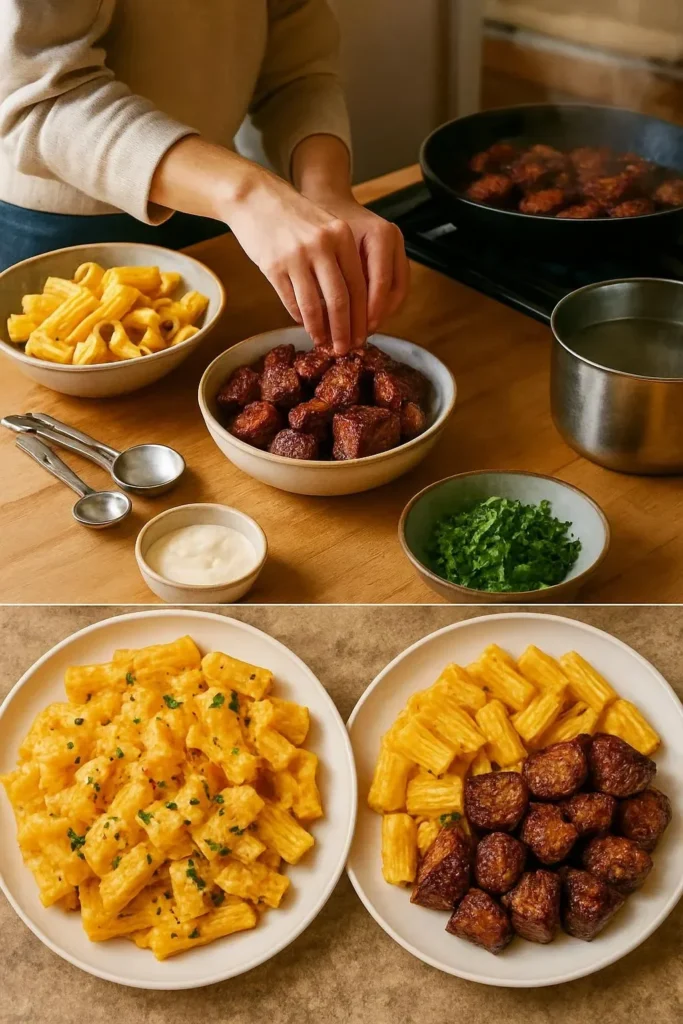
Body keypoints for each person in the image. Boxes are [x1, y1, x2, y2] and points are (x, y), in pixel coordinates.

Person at [0, 0, 409, 354]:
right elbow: (38, 96)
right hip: (58, 231)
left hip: (219, 213)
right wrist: (248, 193)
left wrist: (327, 195)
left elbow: (298, 72)